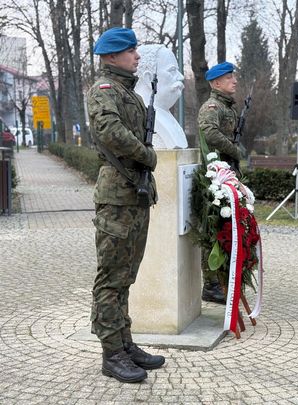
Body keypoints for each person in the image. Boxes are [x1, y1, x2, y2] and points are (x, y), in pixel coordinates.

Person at [87, 27, 165, 383]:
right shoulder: (104, 90)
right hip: (116, 197)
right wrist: (146, 155)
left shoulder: (128, 92)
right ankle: (111, 354)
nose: (137, 56)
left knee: (126, 277)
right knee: (111, 278)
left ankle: (125, 343)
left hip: (134, 194)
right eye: (131, 50)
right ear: (112, 56)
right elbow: (110, 132)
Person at [197, 61, 242, 304]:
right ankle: (211, 284)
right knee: (213, 229)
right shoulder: (212, 107)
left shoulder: (227, 107)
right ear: (216, 83)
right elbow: (210, 133)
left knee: (228, 228)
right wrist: (234, 150)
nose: (234, 81)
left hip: (226, 173)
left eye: (233, 77)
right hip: (215, 176)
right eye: (228, 78)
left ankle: (225, 279)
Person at [134, 44, 188, 149]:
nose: (181, 76)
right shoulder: (142, 115)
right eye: (172, 70)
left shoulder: (164, 114)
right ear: (149, 78)